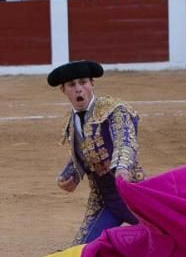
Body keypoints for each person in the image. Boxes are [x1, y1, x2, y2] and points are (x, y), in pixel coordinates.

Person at [50, 60, 144, 245]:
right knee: (80, 252)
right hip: (104, 200)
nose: (78, 89)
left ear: (92, 84)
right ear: (64, 90)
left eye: (83, 82)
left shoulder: (114, 110)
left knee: (165, 241)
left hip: (132, 193)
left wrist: (123, 167)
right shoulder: (72, 120)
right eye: (72, 85)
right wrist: (70, 175)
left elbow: (125, 140)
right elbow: (85, 153)